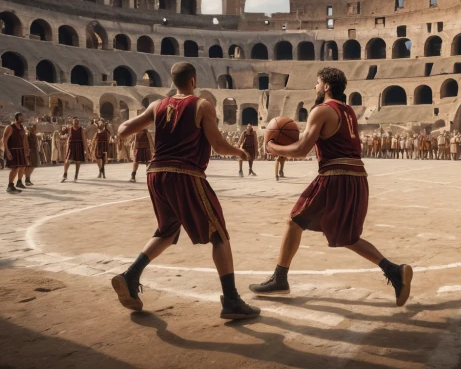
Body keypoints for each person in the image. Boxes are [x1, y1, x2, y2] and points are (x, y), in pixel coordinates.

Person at [249, 68, 413, 307]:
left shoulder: (322, 110)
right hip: (356, 177)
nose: (315, 87)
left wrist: (273, 148)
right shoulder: (348, 111)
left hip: (335, 176)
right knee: (346, 236)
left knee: (295, 220)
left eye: (317, 83)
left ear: (326, 86)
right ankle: (394, 270)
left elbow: (301, 150)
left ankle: (280, 278)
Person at [111, 62, 260, 320]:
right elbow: (217, 144)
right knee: (219, 234)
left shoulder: (157, 105)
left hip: (156, 174)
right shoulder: (202, 105)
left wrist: (156, 125)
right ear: (193, 81)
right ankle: (232, 300)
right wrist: (238, 151)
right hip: (185, 174)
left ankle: (131, 275)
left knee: (167, 231)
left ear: (173, 81)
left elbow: (123, 131)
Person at [3, 113, 29, 193]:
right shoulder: (10, 127)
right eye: (20, 117)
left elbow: (24, 139)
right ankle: (10, 186)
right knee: (15, 168)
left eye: (22, 117)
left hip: (20, 150)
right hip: (13, 150)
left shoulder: (22, 128)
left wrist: (26, 149)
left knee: (22, 166)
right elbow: (4, 140)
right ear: (16, 118)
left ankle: (19, 182)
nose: (22, 118)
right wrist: (7, 151)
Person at [61, 117, 88, 183]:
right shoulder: (70, 129)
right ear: (72, 122)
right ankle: (65, 174)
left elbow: (84, 140)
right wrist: (67, 147)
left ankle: (76, 175)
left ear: (78, 122)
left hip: (79, 145)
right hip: (71, 146)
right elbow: (67, 138)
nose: (75, 122)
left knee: (78, 161)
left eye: (76, 121)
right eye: (74, 121)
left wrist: (86, 150)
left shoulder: (81, 129)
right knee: (67, 161)